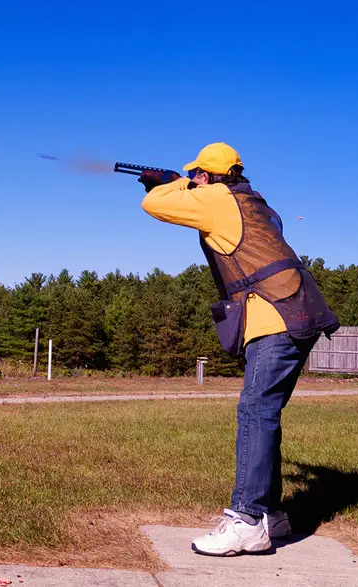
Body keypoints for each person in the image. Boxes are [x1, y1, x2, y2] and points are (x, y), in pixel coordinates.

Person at [140, 142, 339, 556]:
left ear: (206, 176)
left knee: (254, 412)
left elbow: (155, 204)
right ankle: (272, 515)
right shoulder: (255, 203)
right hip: (299, 314)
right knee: (265, 414)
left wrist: (172, 184)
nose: (193, 178)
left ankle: (246, 519)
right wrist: (185, 183)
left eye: (196, 173)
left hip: (274, 319)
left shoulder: (215, 197)